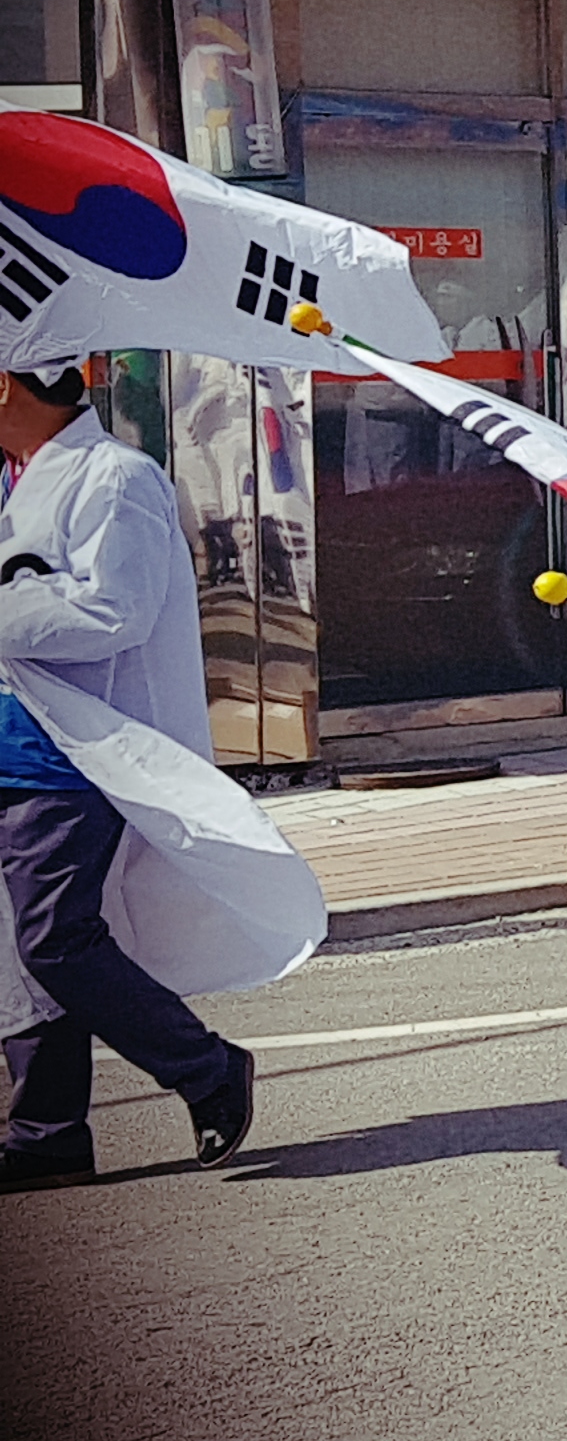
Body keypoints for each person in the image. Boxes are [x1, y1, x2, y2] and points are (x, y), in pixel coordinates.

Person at [0, 362, 312, 1185]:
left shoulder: (115, 479)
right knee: (13, 945)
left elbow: (116, 611)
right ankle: (47, 1130)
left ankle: (204, 1067)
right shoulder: (14, 477)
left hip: (67, 749)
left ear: (5, 384)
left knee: (54, 937)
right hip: (12, 738)